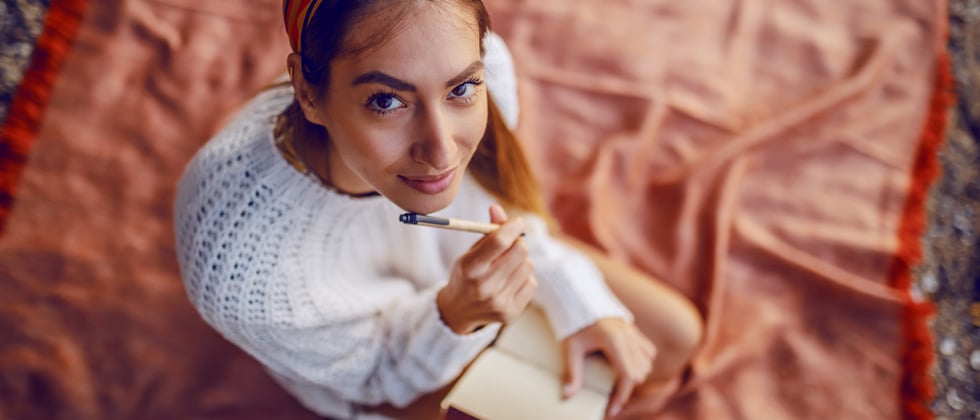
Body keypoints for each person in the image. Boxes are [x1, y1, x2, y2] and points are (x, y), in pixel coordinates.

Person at [174, 0, 703, 418]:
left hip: (465, 291)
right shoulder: (238, 259)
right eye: (387, 101)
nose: (442, 152)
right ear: (308, 93)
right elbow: (374, 378)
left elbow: (502, 214)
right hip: (388, 366)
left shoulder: (486, 66)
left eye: (460, 89)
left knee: (673, 338)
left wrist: (578, 298)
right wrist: (454, 317)